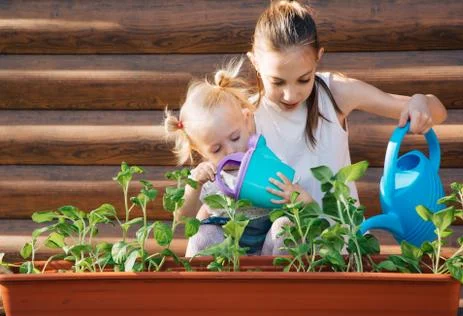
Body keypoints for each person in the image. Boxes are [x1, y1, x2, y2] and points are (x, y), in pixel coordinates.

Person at [246, 0, 448, 248]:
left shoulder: (334, 92)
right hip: (285, 255)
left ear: (318, 58)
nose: (291, 94)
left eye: (303, 79)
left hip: (342, 249)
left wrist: (419, 103)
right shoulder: (247, 115)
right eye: (277, 82)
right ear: (254, 62)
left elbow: (437, 111)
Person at [164, 59, 278, 257]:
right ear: (200, 151)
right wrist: (194, 185)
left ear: (247, 121)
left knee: (285, 227)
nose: (231, 150)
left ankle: (283, 282)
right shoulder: (207, 176)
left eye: (235, 137)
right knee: (203, 233)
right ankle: (207, 284)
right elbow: (183, 217)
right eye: (216, 149)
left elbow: (289, 195)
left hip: (267, 248)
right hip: (225, 253)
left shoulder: (263, 158)